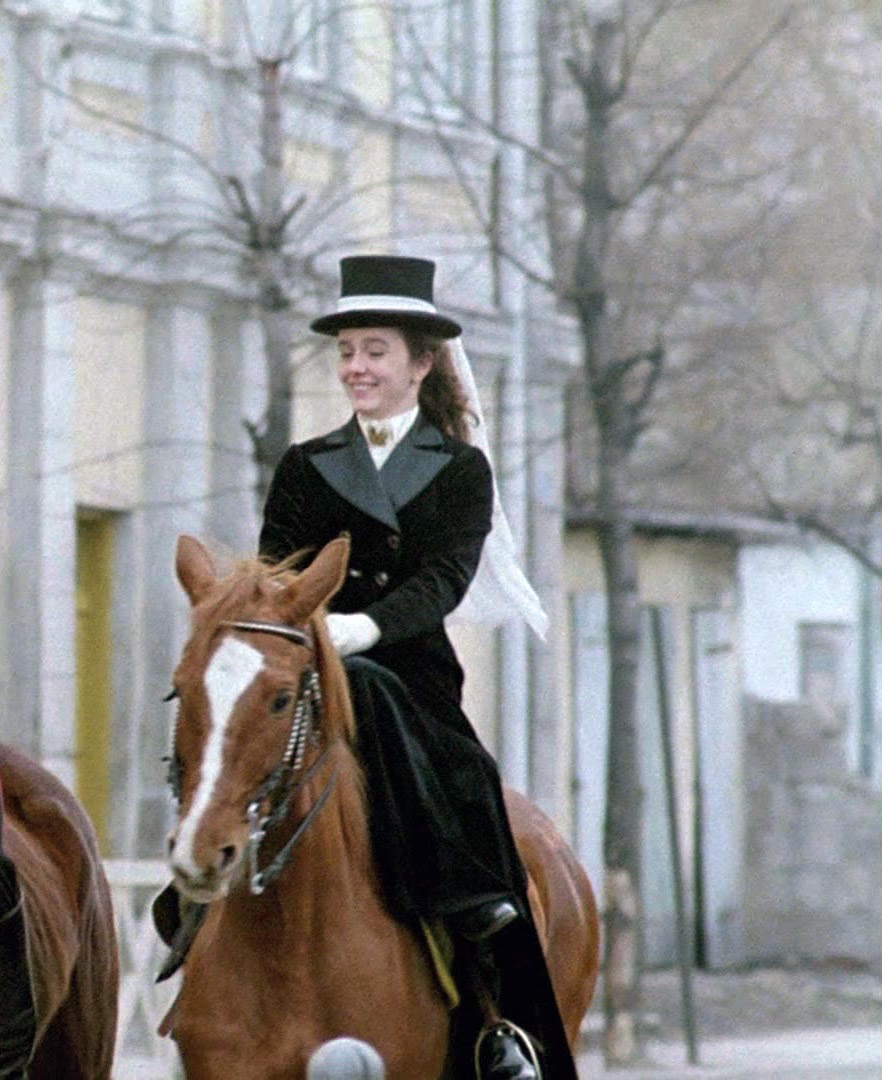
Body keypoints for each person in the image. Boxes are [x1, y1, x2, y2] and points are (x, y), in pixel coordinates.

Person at [258, 255, 577, 1080]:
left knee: (464, 782)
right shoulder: (304, 464)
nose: (356, 367)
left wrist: (364, 626)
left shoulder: (461, 469)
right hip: (309, 670)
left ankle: (498, 1008)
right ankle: (197, 902)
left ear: (422, 362)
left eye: (375, 351)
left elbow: (443, 579)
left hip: (411, 677)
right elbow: (274, 569)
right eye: (347, 352)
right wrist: (300, 625)